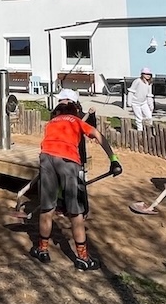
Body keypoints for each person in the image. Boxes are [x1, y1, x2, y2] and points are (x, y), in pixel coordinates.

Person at [31, 89, 119, 270]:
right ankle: (83, 258)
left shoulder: (51, 122)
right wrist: (113, 159)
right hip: (69, 161)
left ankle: (42, 249)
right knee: (76, 212)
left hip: (46, 157)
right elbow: (98, 135)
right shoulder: (77, 121)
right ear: (75, 107)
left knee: (47, 208)